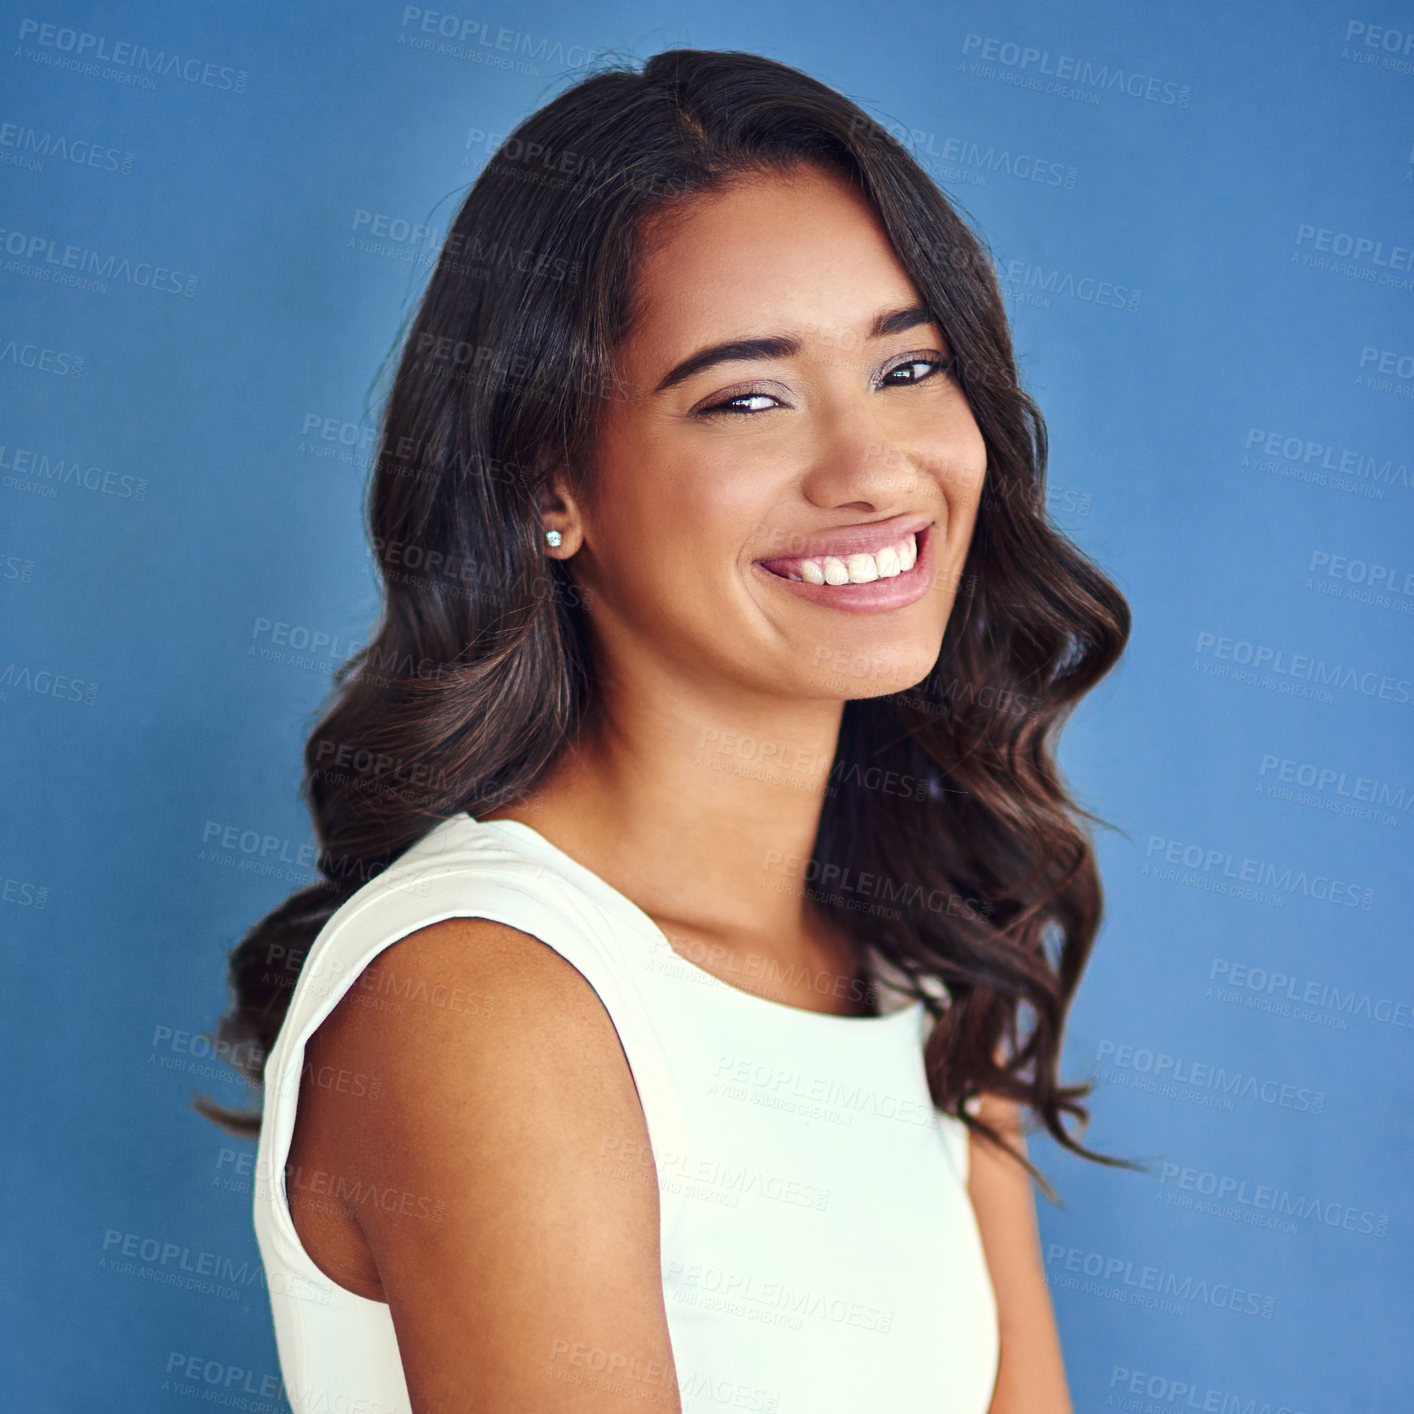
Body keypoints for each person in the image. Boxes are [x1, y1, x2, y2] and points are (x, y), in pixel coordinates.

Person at [197, 46, 1136, 1414]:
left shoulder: (923, 970)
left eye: (909, 365)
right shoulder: (488, 993)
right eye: (745, 396)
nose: (872, 469)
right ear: (546, 484)